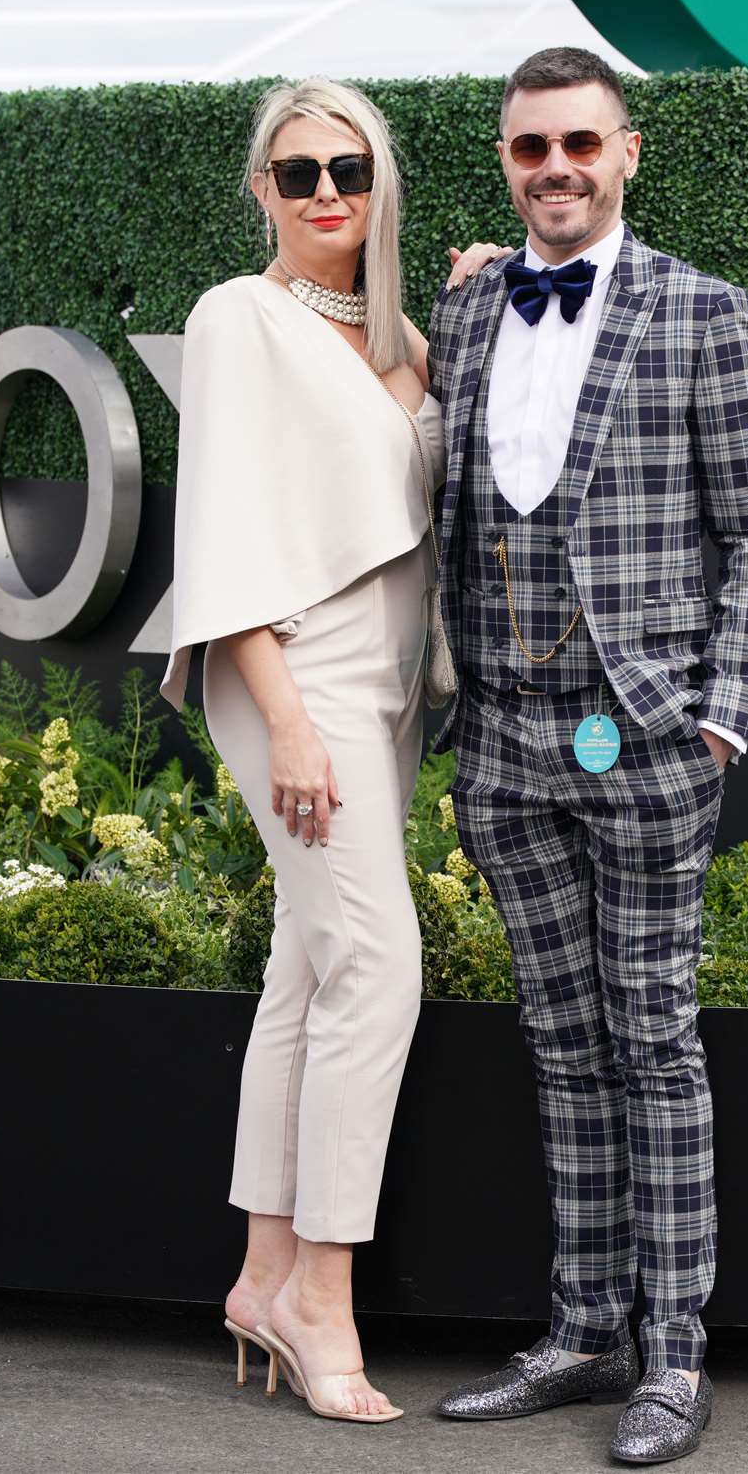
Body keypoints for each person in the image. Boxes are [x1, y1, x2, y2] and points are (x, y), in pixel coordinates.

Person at [430, 48, 748, 1464]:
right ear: (507, 161)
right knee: (560, 1042)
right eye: (532, 150)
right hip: (506, 741)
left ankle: (675, 1354)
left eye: (580, 143)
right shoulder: (466, 314)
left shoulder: (702, 312)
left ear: (626, 151)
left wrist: (723, 719)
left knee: (653, 1040)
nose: (557, 169)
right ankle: (586, 1331)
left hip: (644, 735)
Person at [160, 76, 499, 1424]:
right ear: (261, 189)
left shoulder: (400, 334)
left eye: (347, 169)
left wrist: (472, 307)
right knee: (379, 967)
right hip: (291, 669)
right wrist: (286, 711)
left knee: (308, 972)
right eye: (296, 173)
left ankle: (256, 1274)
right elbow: (225, 524)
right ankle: (322, 1294)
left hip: (386, 691)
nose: (324, 196)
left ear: (378, 182)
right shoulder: (239, 317)